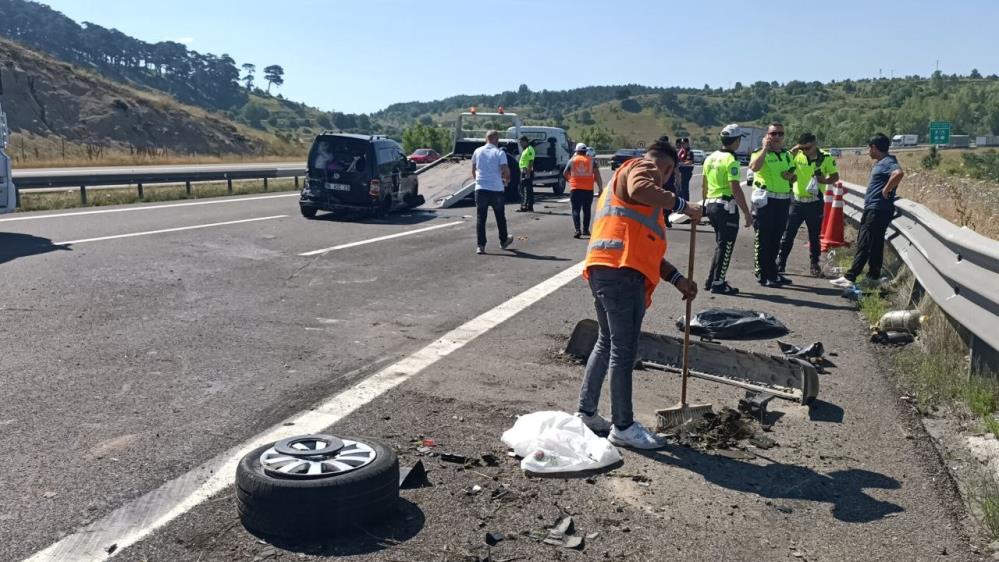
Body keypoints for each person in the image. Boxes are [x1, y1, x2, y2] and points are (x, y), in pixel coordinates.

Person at [576, 139, 702, 449]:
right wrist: (686, 207)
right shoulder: (643, 169)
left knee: (607, 343)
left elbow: (644, 248)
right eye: (672, 174)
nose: (670, 181)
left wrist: (676, 278)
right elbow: (640, 188)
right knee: (623, 349)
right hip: (620, 273)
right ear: (668, 167)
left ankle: (586, 413)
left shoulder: (629, 189)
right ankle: (623, 426)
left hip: (606, 268)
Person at [830, 133, 904, 288]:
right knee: (875, 244)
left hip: (877, 209)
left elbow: (898, 173)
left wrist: (886, 189)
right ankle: (873, 276)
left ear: (874, 147)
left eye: (869, 148)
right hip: (877, 209)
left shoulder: (888, 162)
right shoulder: (882, 162)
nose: (868, 151)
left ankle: (850, 277)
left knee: (864, 242)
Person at [779, 133, 840, 277]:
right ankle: (781, 262)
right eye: (803, 148)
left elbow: (835, 177)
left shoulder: (825, 157)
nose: (805, 151)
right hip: (797, 201)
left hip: (815, 202)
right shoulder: (797, 155)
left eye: (808, 148)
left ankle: (814, 264)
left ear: (815, 143)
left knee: (814, 236)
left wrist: (823, 180)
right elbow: (785, 164)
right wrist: (795, 150)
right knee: (788, 234)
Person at [702, 124, 752, 295]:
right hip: (726, 207)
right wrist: (746, 212)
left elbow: (704, 183)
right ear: (736, 141)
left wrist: (704, 205)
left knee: (720, 244)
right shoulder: (732, 160)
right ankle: (718, 281)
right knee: (727, 245)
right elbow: (735, 187)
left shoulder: (710, 157)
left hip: (711, 204)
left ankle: (712, 279)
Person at [749, 122, 796, 287]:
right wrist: (764, 149)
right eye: (773, 134)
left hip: (782, 200)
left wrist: (790, 176)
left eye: (780, 134)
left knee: (777, 238)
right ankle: (762, 273)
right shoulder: (759, 153)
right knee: (764, 238)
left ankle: (773, 271)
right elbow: (754, 167)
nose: (777, 137)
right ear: (767, 135)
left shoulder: (786, 155)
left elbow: (794, 175)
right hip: (766, 201)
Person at [470, 130, 514, 255]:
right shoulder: (499, 152)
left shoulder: (477, 151)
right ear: (496, 139)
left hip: (481, 189)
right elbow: (506, 170)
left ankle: (481, 246)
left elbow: (473, 170)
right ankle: (503, 240)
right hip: (496, 189)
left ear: (486, 139)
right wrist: (507, 180)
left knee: (481, 218)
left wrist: (478, 182)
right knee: (500, 216)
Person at [564, 142, 604, 238]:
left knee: (576, 210)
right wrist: (600, 188)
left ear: (577, 151)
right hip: (588, 189)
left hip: (575, 189)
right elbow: (597, 175)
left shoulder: (572, 160)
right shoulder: (591, 161)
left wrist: (570, 180)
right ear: (585, 151)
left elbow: (565, 173)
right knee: (587, 210)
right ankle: (586, 230)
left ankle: (577, 230)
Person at [516, 135, 536, 212]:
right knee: (527, 190)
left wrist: (528, 173)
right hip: (524, 171)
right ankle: (529, 206)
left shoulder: (530, 149)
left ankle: (524, 206)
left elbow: (531, 161)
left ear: (525, 141)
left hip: (527, 172)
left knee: (525, 190)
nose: (520, 144)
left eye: (521, 142)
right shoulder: (525, 149)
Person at [677, 137, 694, 201]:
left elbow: (690, 162)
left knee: (684, 188)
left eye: (684, 143)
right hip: (679, 172)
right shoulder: (680, 151)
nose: (682, 145)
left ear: (687, 144)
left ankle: (686, 203)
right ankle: (680, 203)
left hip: (686, 172)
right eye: (681, 144)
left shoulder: (689, 152)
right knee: (679, 189)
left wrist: (680, 164)